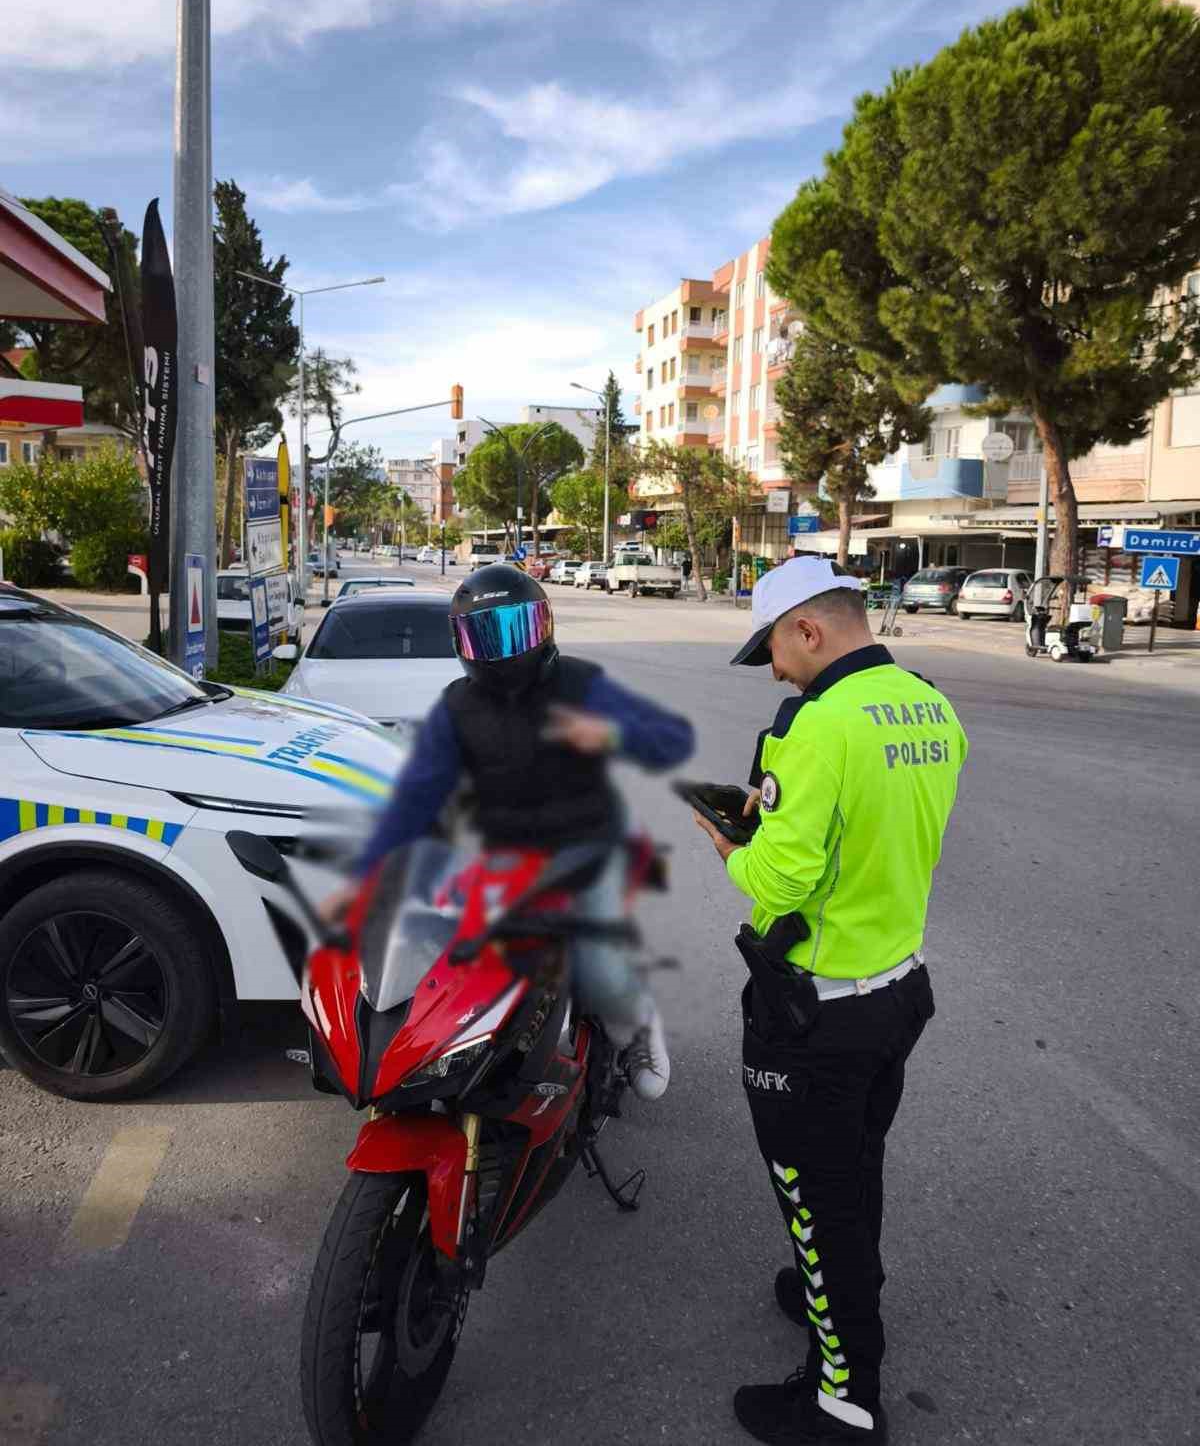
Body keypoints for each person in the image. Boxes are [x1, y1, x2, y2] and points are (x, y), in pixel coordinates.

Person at [694, 556, 967, 1444]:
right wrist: (782, 820)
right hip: (896, 988)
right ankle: (839, 1292)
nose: (774, 670)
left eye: (773, 650)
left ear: (808, 629)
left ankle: (843, 1402)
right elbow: (878, 833)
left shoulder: (817, 728)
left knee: (816, 1202)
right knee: (853, 1169)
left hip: (817, 1013)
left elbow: (781, 881)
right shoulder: (930, 704)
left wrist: (733, 846)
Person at [322, 563, 694, 1100]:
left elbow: (666, 739)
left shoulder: (582, 683)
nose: (502, 651)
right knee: (426, 940)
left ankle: (638, 1025)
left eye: (515, 630)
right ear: (461, 644)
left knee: (601, 958)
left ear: (544, 625)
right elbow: (420, 789)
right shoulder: (458, 703)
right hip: (497, 853)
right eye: (485, 636)